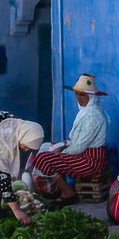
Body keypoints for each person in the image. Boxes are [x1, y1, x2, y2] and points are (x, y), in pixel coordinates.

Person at [32, 74, 108, 205]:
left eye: (82, 95)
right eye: (77, 94)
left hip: (91, 161)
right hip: (83, 156)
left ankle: (67, 192)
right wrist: (61, 149)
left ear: (91, 97)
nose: (78, 98)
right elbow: (77, 143)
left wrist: (59, 153)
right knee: (47, 149)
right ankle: (60, 189)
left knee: (44, 158)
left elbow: (79, 146)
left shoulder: (93, 116)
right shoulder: (86, 112)